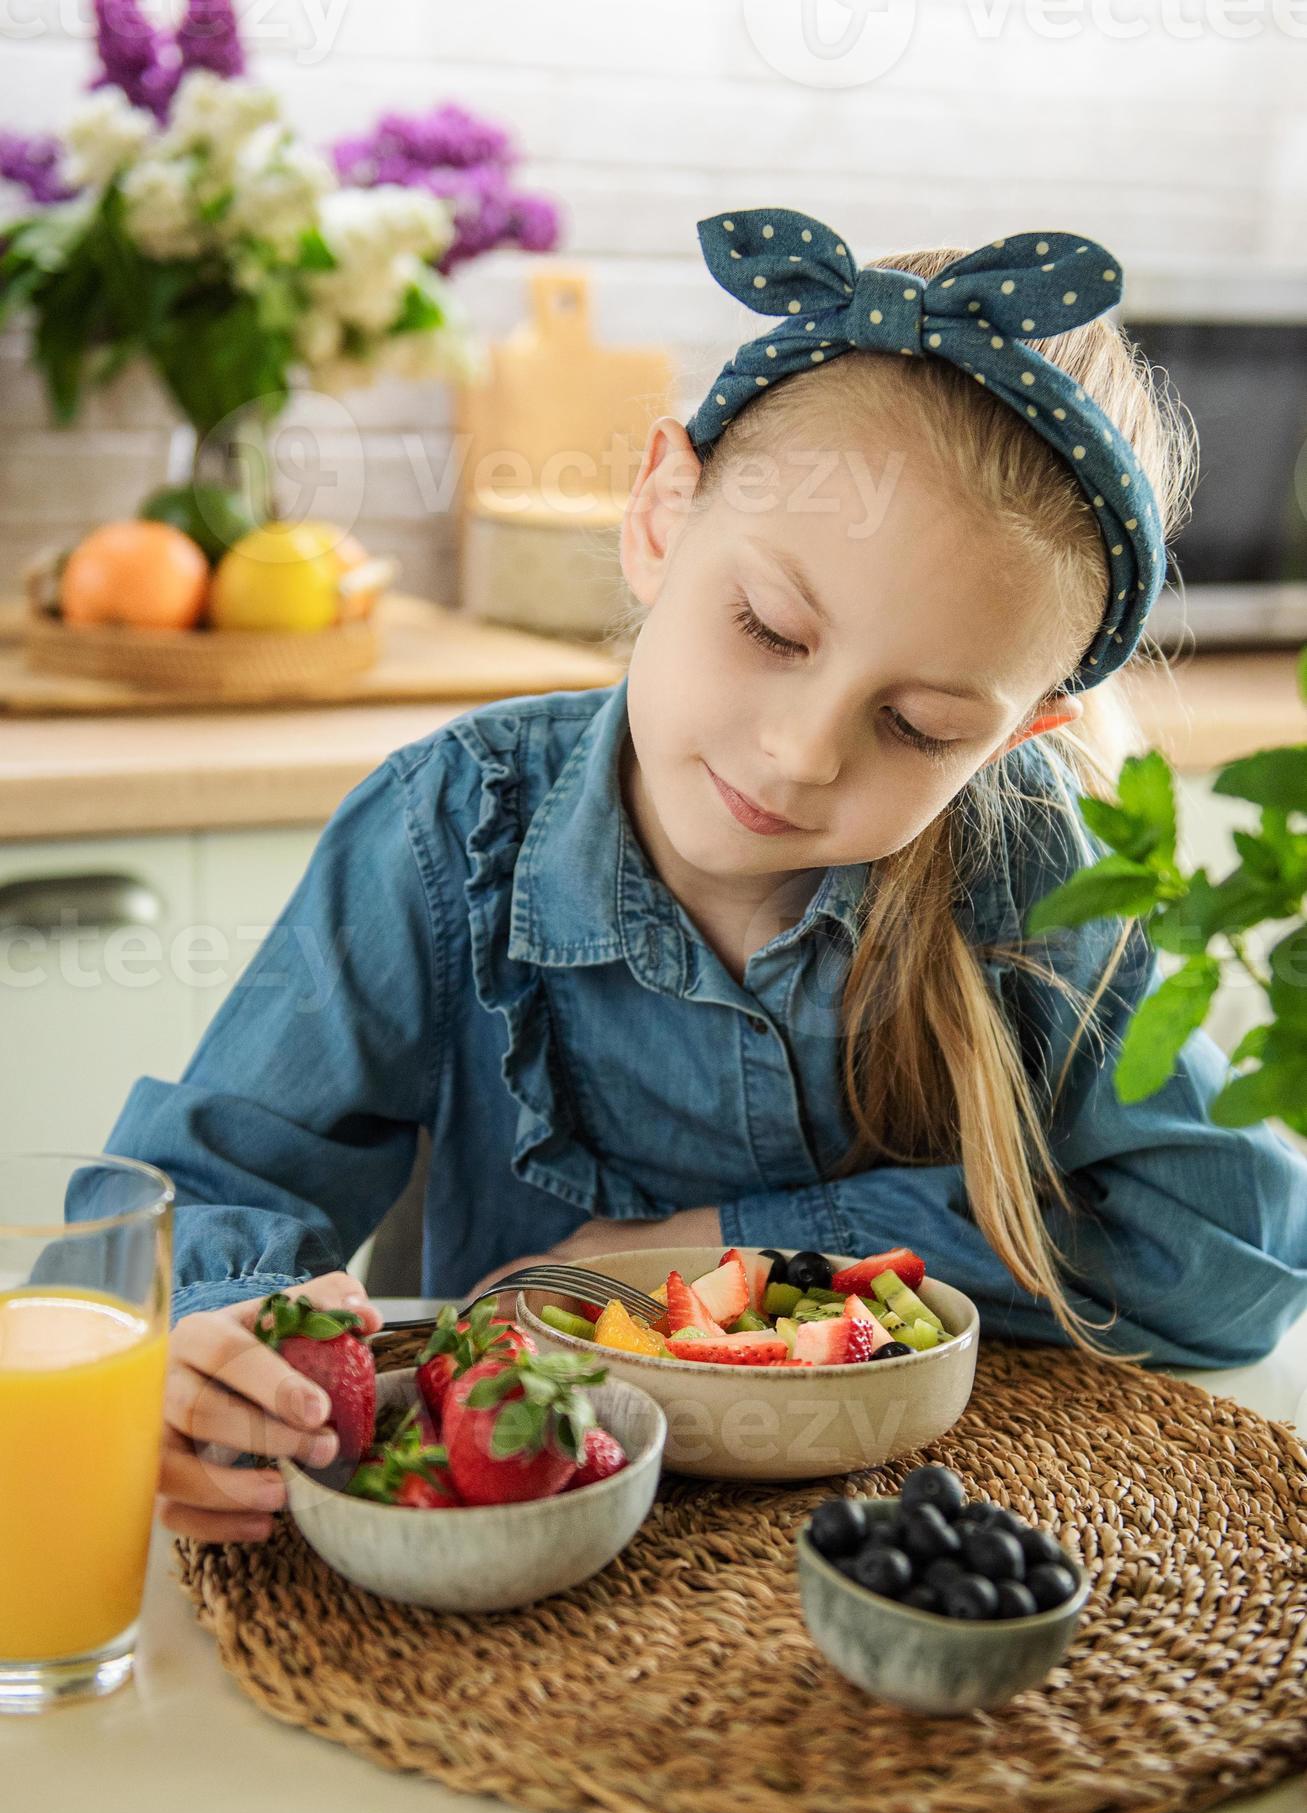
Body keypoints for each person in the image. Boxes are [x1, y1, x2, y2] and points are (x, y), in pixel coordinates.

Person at [104, 207, 1307, 1544]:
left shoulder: (1022, 863)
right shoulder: (445, 830)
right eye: (771, 629)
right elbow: (205, 1194)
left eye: (918, 729)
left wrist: (718, 1247)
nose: (798, 755)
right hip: (536, 1546)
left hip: (886, 1534)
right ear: (661, 514)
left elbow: (1237, 1248)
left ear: (1014, 742)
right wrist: (211, 1350)